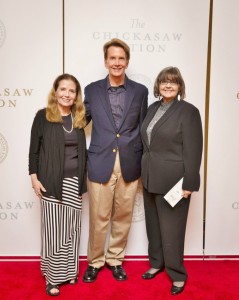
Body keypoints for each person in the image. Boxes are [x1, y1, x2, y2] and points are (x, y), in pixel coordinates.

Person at [82, 38, 148, 282]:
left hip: (130, 162)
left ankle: (115, 259)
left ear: (127, 62)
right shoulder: (91, 90)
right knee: (98, 217)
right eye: (112, 58)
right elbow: (81, 121)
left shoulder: (140, 92)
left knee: (123, 216)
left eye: (121, 58)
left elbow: (143, 127)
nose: (117, 62)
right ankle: (95, 262)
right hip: (100, 161)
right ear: (105, 61)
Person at [140, 67, 203, 295]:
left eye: (173, 82)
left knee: (172, 230)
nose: (168, 85)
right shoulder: (152, 108)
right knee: (154, 227)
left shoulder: (189, 112)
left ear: (179, 87)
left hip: (174, 182)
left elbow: (194, 150)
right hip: (149, 177)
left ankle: (177, 274)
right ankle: (157, 263)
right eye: (164, 82)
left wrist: (189, 183)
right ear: (158, 85)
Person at [28, 74, 87, 296]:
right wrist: (34, 177)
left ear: (76, 95)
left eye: (71, 91)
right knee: (54, 231)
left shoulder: (79, 118)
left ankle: (69, 271)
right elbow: (33, 150)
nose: (67, 94)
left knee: (71, 229)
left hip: (75, 182)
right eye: (63, 89)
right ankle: (52, 277)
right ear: (55, 91)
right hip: (50, 181)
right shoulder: (42, 117)